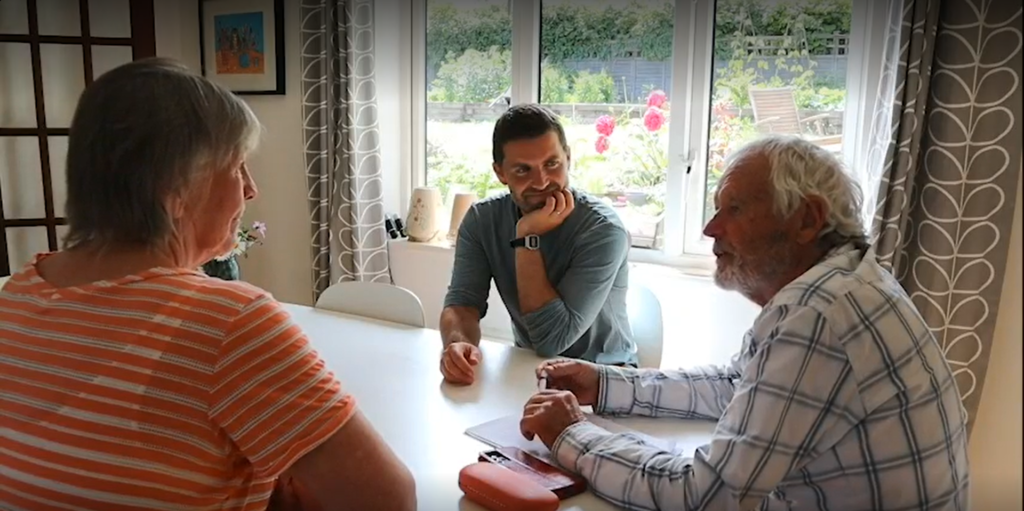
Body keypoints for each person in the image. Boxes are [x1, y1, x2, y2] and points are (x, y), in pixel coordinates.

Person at [0, 58, 416, 511]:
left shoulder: (16, 296)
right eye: (237, 167)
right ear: (177, 189)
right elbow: (389, 500)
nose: (251, 189)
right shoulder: (228, 322)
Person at [519, 135, 970, 510]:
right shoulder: (846, 281)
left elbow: (707, 496)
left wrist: (571, 434)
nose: (711, 228)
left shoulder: (818, 314)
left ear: (807, 220)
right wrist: (604, 385)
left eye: (733, 209)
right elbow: (738, 383)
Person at [439, 104, 635, 385]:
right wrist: (458, 345)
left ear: (568, 158)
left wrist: (526, 237)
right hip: (530, 369)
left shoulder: (603, 230)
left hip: (607, 377)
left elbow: (552, 341)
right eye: (522, 170)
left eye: (552, 164)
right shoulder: (482, 220)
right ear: (500, 173)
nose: (541, 181)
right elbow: (462, 304)